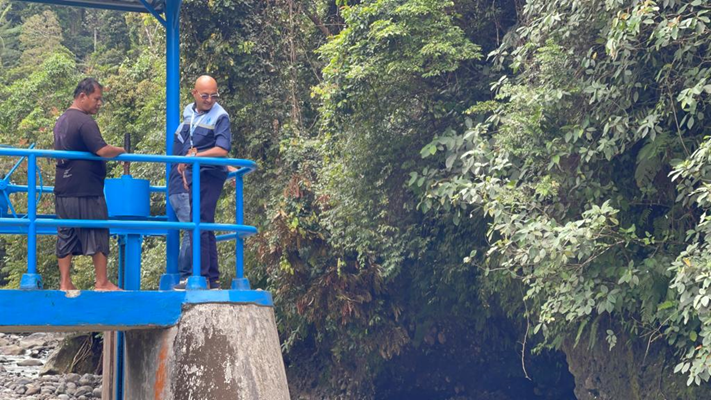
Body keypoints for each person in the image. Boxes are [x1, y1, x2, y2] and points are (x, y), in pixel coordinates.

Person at [53, 78, 126, 291]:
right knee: (97, 229)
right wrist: (121, 151)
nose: (99, 103)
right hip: (86, 190)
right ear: (82, 96)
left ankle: (65, 282)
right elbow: (102, 150)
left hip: (63, 189)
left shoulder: (62, 120)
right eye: (97, 99)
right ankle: (102, 282)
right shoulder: (84, 121)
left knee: (66, 232)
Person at [174, 75, 232, 290]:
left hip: (211, 172)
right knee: (201, 221)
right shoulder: (188, 112)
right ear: (195, 94)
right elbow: (189, 144)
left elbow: (222, 149)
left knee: (199, 221)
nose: (209, 100)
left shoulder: (220, 116)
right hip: (195, 172)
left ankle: (203, 277)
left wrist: (196, 158)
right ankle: (212, 277)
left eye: (213, 95)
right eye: (205, 95)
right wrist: (185, 165)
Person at [168, 117, 192, 281]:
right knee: (192, 229)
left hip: (178, 189)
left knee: (193, 229)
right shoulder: (190, 128)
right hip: (182, 188)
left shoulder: (182, 129)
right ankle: (187, 275)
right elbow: (192, 155)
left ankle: (189, 273)